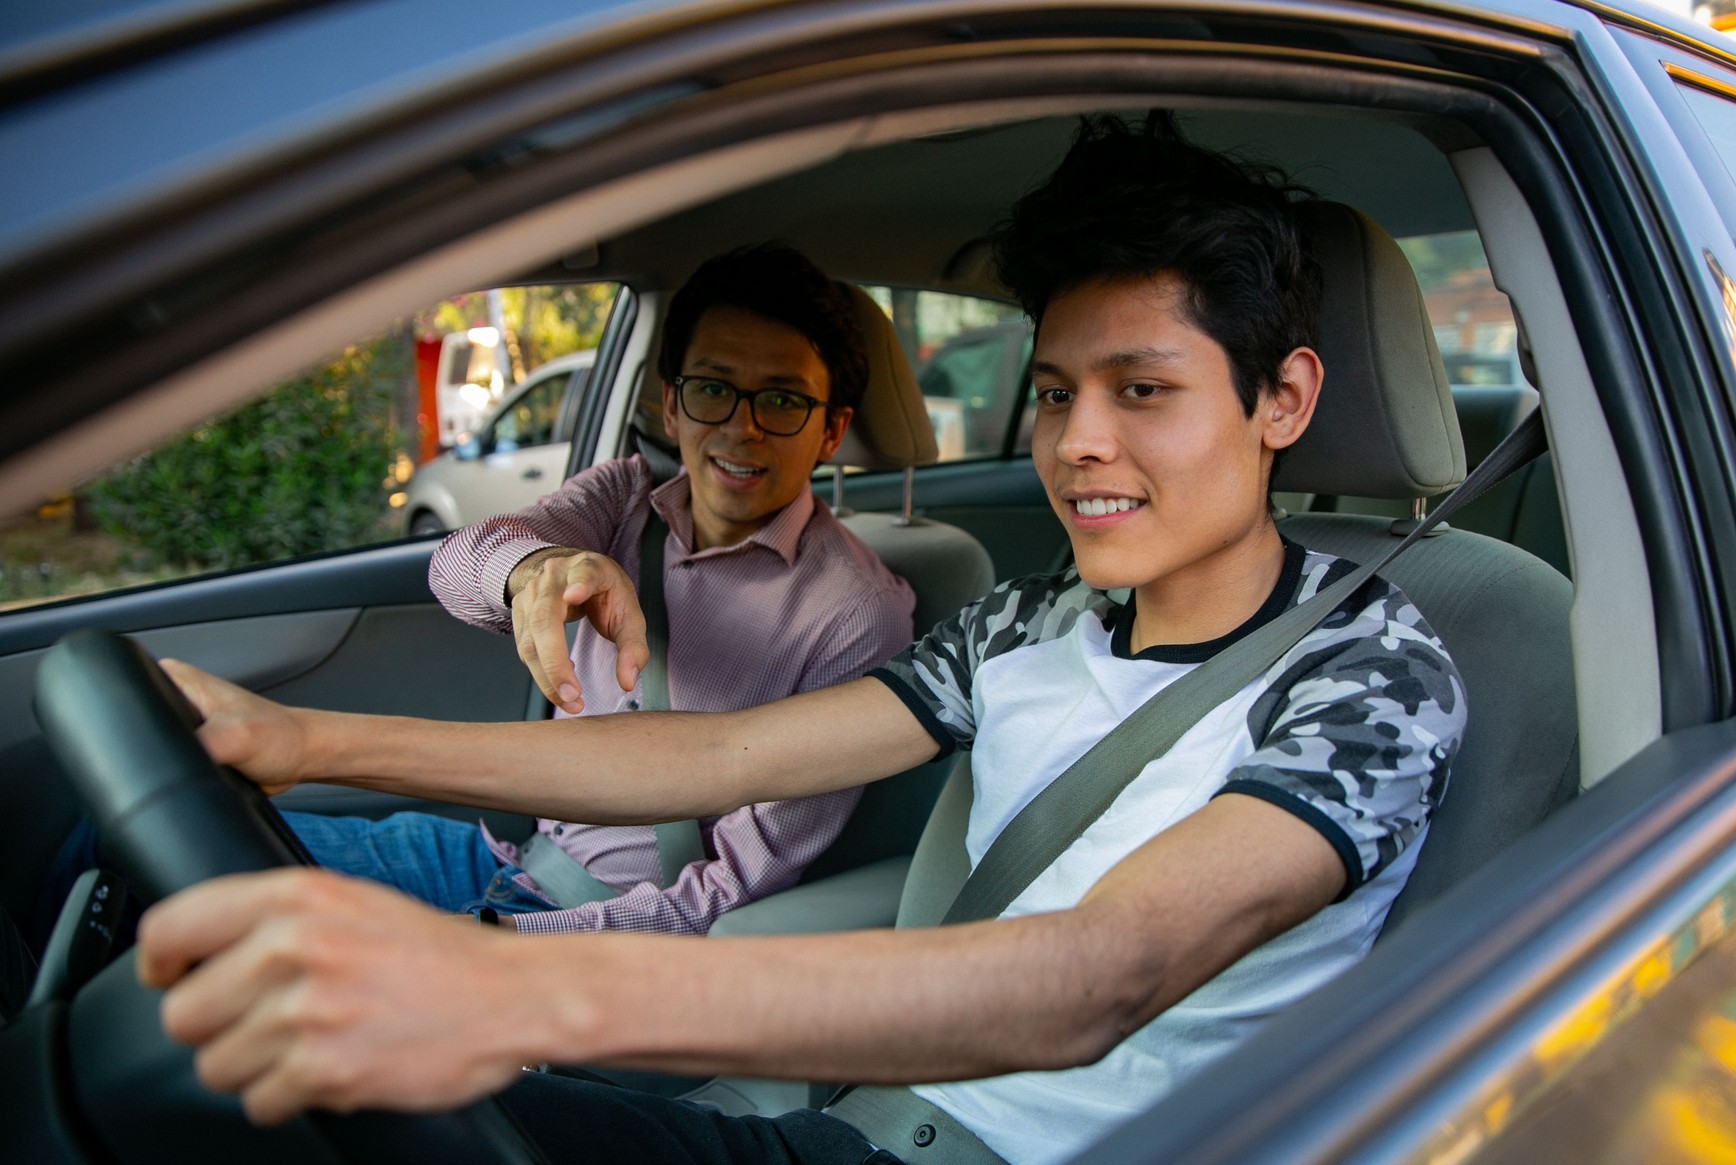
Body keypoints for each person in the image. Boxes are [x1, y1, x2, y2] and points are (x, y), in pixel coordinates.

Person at [139, 113, 1467, 1165]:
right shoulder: (1027, 619)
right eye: (1056, 392)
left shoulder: (1371, 672)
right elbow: (712, 758)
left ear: (1283, 396)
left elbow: (1098, 975)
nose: (1079, 445)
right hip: (866, 1123)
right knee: (269, 1116)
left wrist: (510, 989)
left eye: (1145, 392)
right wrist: (300, 738)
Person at [280, 243, 917, 934]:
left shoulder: (858, 614)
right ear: (671, 408)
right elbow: (456, 562)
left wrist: (506, 943)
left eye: (783, 400)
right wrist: (532, 570)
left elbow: (731, 892)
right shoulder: (623, 498)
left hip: (596, 924)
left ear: (832, 431)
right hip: (494, 855)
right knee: (213, 841)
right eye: (712, 388)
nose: (742, 426)